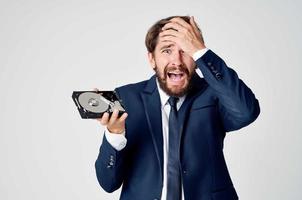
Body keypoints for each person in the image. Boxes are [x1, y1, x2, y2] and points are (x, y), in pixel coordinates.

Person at [95, 15, 260, 200]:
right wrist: (115, 135)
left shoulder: (214, 93)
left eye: (186, 51)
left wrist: (200, 50)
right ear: (152, 59)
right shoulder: (127, 98)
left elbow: (247, 112)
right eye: (166, 50)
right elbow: (108, 183)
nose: (177, 61)